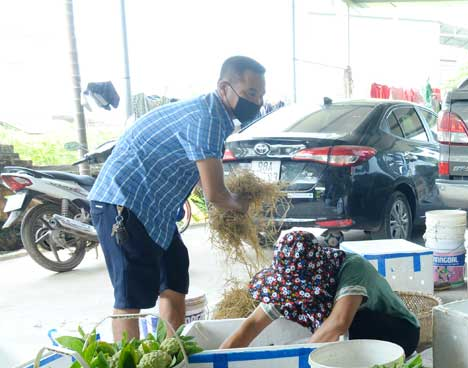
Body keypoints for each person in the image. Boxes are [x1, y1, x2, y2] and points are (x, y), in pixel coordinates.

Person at [90, 56, 267, 341]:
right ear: (224, 88)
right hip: (123, 203)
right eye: (250, 93)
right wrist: (239, 205)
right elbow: (216, 194)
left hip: (155, 210)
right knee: (129, 298)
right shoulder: (207, 119)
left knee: (174, 280)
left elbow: (197, 170)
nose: (257, 102)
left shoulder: (214, 117)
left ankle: (172, 350)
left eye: (260, 95)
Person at [220, 231, 421, 352]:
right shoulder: (289, 283)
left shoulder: (352, 267)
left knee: (349, 322)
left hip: (399, 333)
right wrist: (215, 358)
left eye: (299, 289)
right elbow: (253, 323)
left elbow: (339, 323)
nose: (294, 294)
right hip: (357, 335)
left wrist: (299, 360)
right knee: (299, 310)